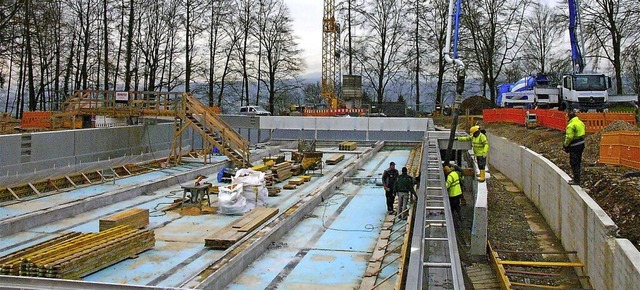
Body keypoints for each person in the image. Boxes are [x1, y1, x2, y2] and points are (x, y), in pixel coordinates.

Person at [563, 109, 586, 185]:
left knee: (574, 162)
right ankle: (577, 178)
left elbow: (569, 137)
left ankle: (576, 180)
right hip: (581, 144)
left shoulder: (571, 125)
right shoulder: (580, 123)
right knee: (578, 161)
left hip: (574, 145)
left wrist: (565, 145)